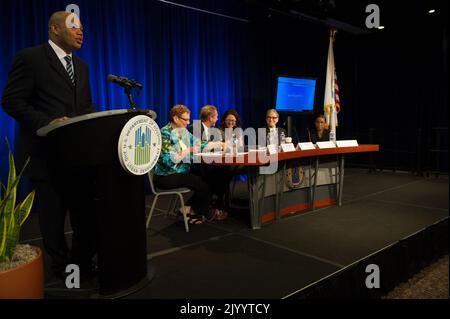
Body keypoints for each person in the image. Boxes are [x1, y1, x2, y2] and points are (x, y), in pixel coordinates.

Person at [1, 11, 97, 278]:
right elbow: (11, 101)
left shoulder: (82, 66)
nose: (81, 32)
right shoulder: (30, 58)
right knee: (52, 219)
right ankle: (61, 268)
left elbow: (86, 106)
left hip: (78, 156)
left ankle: (82, 263)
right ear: (55, 29)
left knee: (84, 214)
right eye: (73, 26)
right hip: (45, 155)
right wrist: (49, 122)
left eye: (82, 28)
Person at [154, 105, 213, 224]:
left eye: (188, 119)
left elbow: (199, 144)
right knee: (204, 186)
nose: (188, 122)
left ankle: (187, 210)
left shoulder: (184, 132)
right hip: (166, 175)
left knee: (210, 178)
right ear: (176, 119)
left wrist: (219, 144)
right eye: (185, 120)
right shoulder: (164, 133)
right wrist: (188, 150)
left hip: (180, 171)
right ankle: (193, 212)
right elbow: (168, 161)